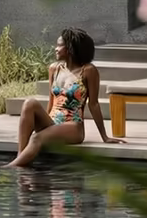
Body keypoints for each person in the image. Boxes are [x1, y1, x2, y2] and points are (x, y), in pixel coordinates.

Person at [7, 27, 123, 168]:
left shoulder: (88, 71)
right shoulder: (54, 69)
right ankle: (21, 157)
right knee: (29, 103)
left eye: (59, 45)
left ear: (70, 48)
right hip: (53, 122)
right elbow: (52, 101)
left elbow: (94, 104)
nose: (55, 48)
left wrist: (105, 137)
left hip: (73, 126)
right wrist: (47, 127)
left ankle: (9, 168)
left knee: (36, 138)